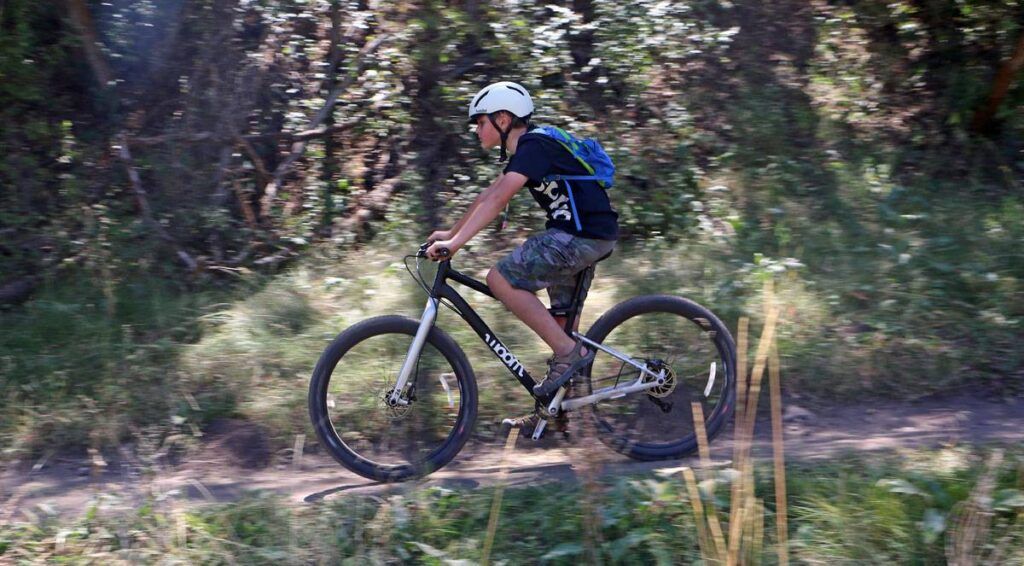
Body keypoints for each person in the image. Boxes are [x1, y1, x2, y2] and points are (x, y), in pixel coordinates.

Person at [426, 81, 619, 397]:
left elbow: (499, 199)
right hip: (585, 236)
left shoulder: (534, 147)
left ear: (503, 120)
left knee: (500, 279)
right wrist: (450, 233)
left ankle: (573, 355)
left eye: (480, 122)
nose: (476, 129)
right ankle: (560, 414)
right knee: (561, 330)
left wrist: (456, 244)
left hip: (579, 236)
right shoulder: (529, 151)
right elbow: (487, 195)